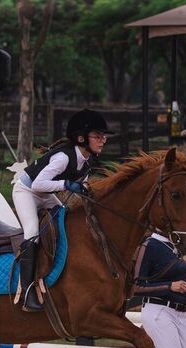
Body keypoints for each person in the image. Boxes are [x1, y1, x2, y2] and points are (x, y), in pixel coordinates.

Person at [13, 109, 114, 311]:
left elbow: (80, 188)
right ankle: (27, 292)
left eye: (103, 136)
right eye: (97, 136)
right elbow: (37, 185)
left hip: (45, 194)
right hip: (26, 191)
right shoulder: (63, 158)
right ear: (81, 138)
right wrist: (67, 185)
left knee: (65, 221)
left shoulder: (87, 160)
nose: (102, 140)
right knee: (33, 232)